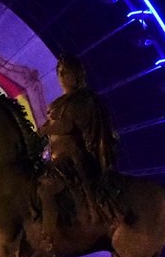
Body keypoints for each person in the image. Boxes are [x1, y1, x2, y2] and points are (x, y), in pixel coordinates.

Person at [37, 53, 122, 227]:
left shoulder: (85, 100)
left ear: (76, 75)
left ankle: (89, 213)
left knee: (48, 188)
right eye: (59, 72)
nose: (61, 76)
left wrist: (45, 129)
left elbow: (69, 126)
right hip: (56, 155)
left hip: (73, 156)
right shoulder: (60, 102)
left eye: (65, 72)